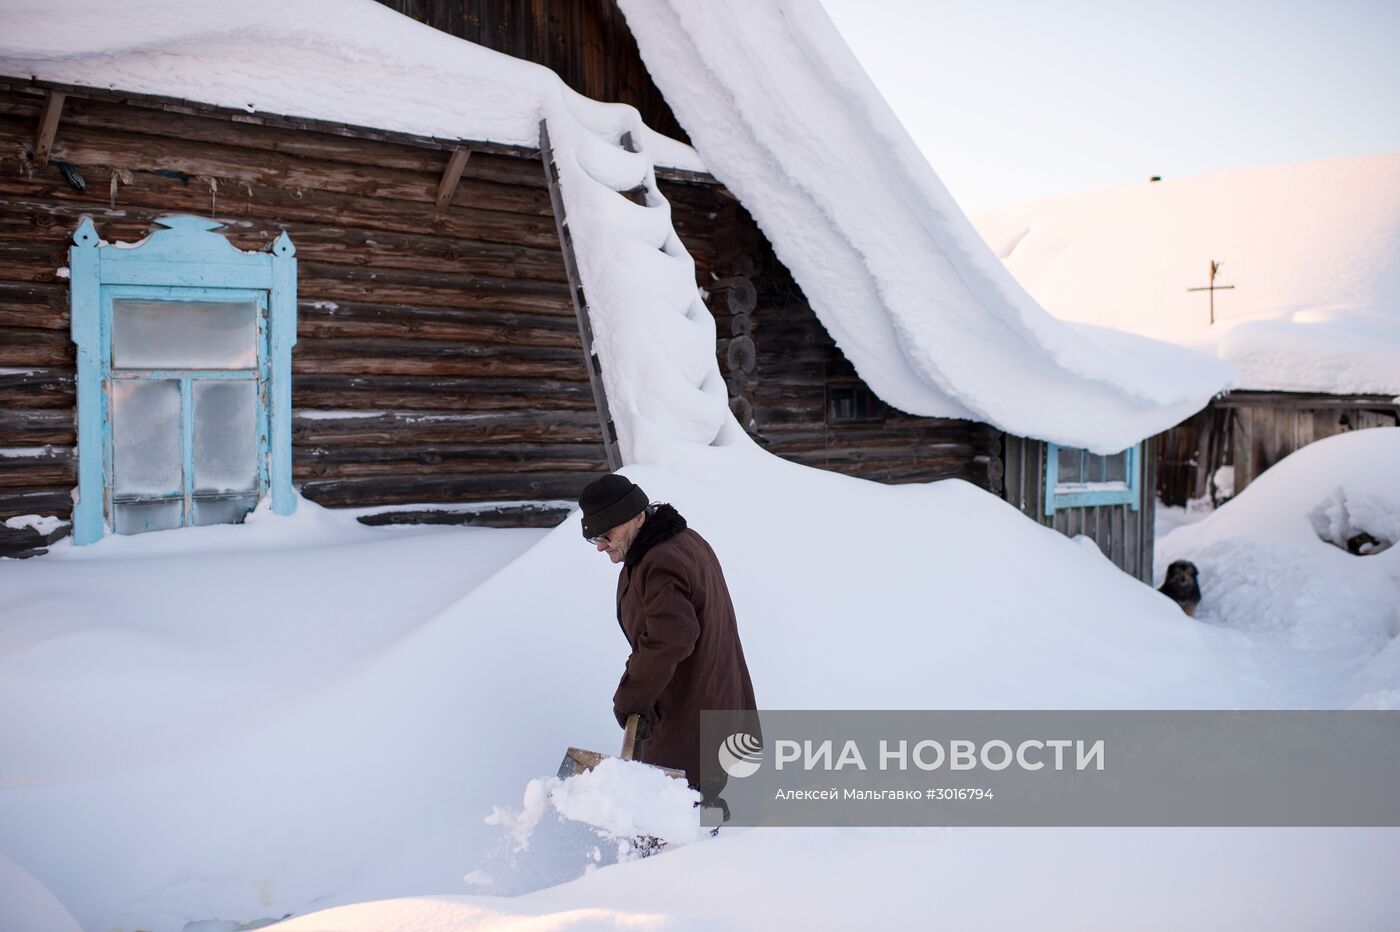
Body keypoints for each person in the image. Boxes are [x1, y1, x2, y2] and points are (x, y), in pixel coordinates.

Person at [579, 473, 757, 804]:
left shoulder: (661, 560)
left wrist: (631, 698)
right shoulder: (679, 542)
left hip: (691, 713)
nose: (601, 545)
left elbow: (670, 638)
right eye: (594, 538)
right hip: (708, 703)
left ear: (636, 516)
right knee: (703, 811)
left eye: (607, 534)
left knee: (680, 821)